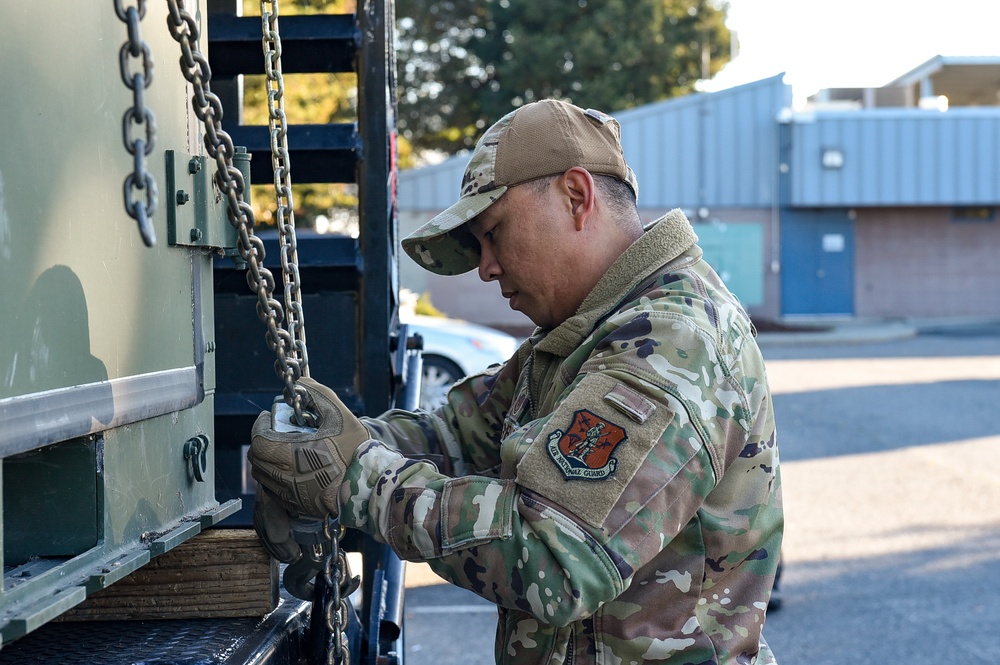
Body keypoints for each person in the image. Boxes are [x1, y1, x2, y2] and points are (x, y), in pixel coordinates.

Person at [249, 99, 783, 664]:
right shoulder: (583, 334)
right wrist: (314, 454)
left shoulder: (672, 341)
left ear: (576, 198)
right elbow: (459, 436)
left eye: (494, 234)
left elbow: (555, 560)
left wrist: (354, 478)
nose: (486, 267)